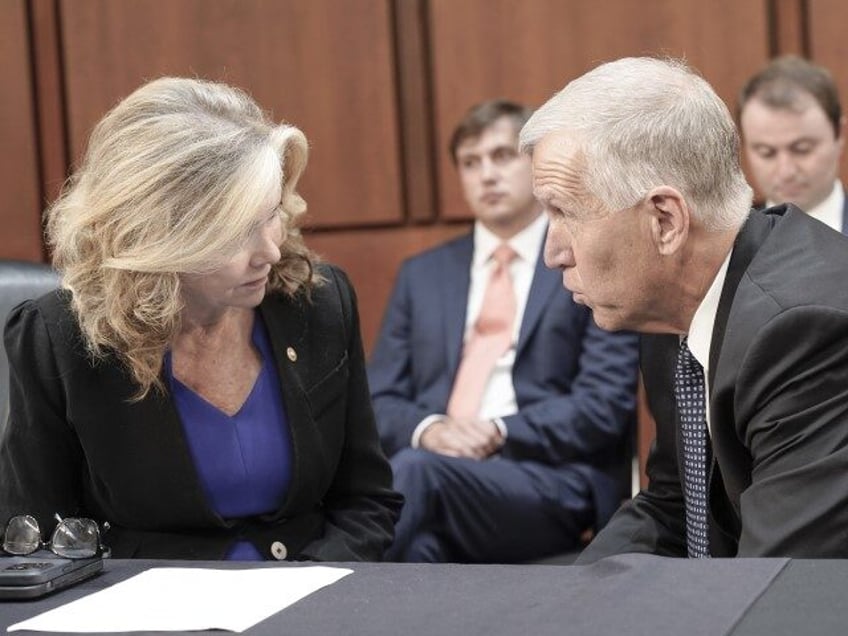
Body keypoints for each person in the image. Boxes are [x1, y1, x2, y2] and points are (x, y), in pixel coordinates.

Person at [0, 77, 402, 561]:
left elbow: (366, 502)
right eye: (236, 233)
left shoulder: (316, 300)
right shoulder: (61, 337)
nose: (271, 251)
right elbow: (33, 539)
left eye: (271, 214)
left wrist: (309, 589)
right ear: (156, 237)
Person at [519, 56, 848, 560]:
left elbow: (781, 583)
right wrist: (563, 604)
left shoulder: (803, 331)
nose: (552, 252)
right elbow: (674, 503)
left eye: (566, 213)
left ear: (666, 220)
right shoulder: (670, 303)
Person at [368, 99, 640, 563]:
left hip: (547, 481)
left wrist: (496, 431)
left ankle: (322, 589)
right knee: (422, 549)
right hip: (438, 471)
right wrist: (430, 430)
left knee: (416, 476)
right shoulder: (423, 275)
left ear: (534, 167)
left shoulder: (585, 262)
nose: (486, 175)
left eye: (501, 156)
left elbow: (603, 405)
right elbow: (379, 400)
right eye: (470, 163)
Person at [738, 55, 847, 233]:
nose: (786, 172)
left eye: (802, 150)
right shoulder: (730, 243)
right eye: (767, 153)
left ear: (839, 135)